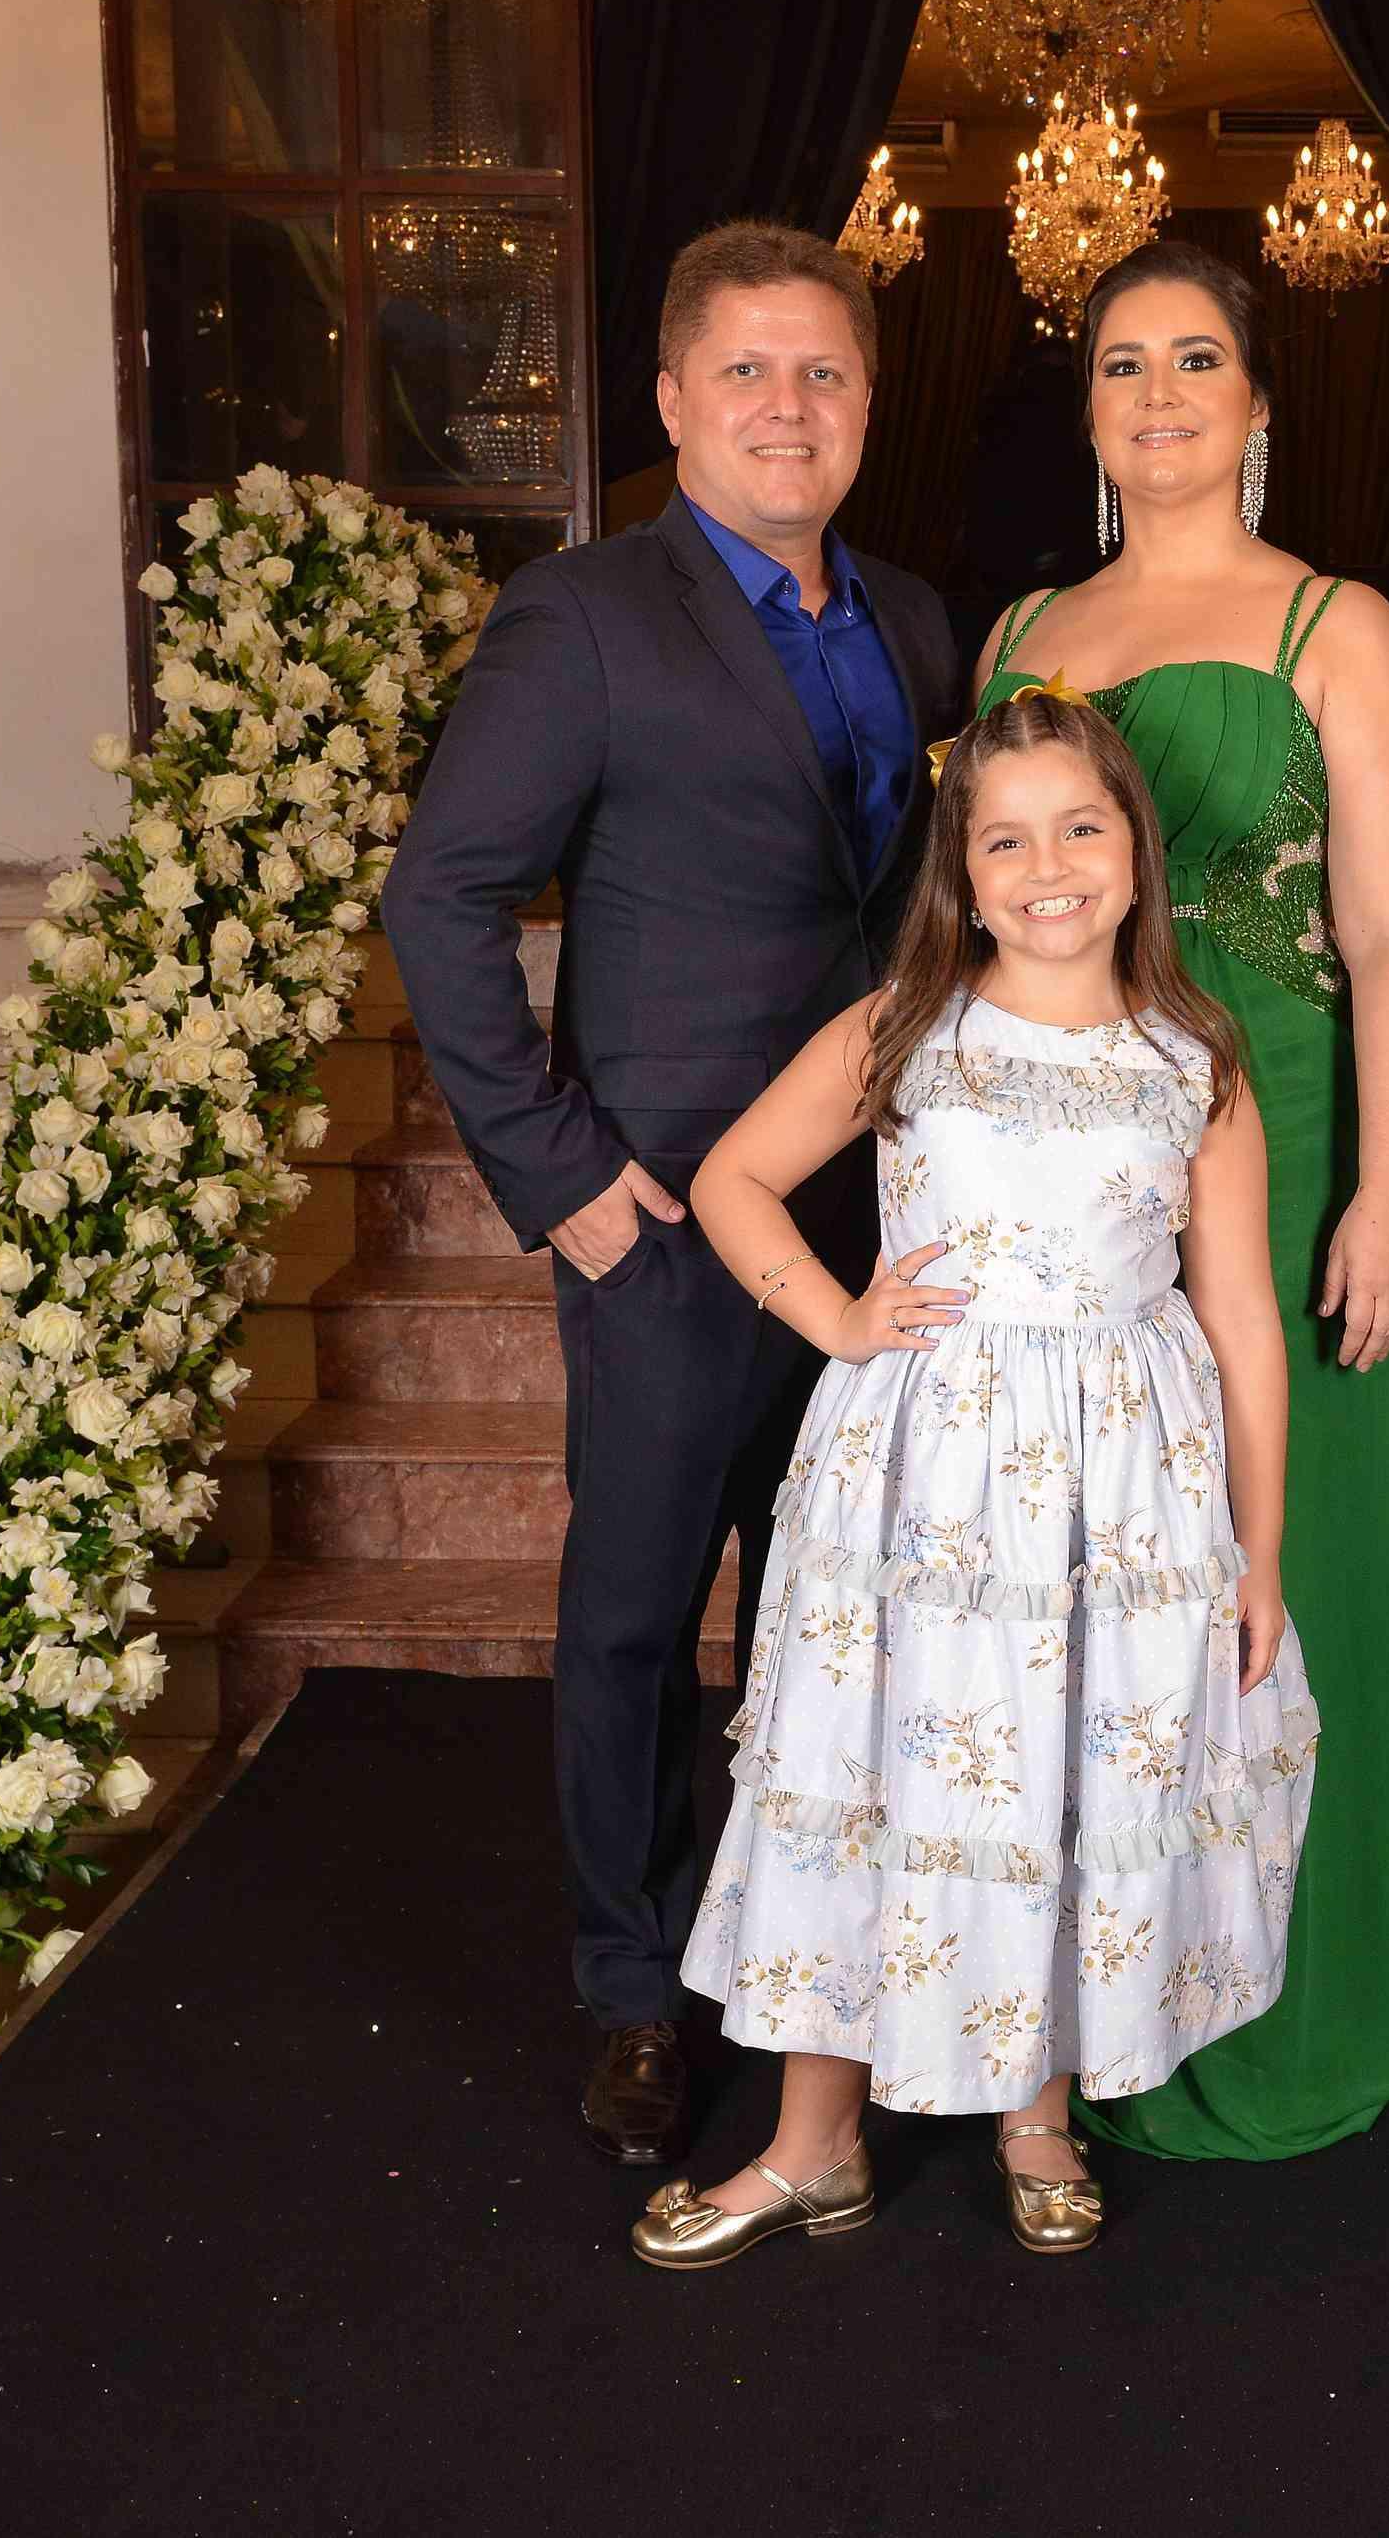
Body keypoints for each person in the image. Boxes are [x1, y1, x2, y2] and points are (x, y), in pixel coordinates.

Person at [381, 221, 967, 2170]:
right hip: (659, 1220)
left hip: (878, 1215)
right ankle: (636, 1986)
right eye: (746, 372)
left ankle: (810, 1956)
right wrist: (559, 1173)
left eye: (822, 373)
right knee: (637, 1616)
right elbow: (440, 897)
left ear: (866, 402)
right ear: (670, 400)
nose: (786, 407)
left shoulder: (914, 620)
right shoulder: (581, 618)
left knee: (838, 1605)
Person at [628, 687, 1311, 2270]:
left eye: (1080, 827)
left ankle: (1035, 2110)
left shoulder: (1192, 1060)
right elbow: (734, 1178)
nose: (1048, 865)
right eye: (1006, 840)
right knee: (874, 1770)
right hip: (922, 1487)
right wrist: (839, 1318)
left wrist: (1258, 1548)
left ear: (1136, 850)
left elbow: (1242, 1316)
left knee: (1068, 1766)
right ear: (964, 873)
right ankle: (812, 2140)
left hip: (1121, 1491)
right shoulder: (905, 1032)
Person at [973, 238, 1389, 2162]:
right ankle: (1101, 2015)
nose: (1156, 396)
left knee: (1288, 1563)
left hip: (1292, 1138)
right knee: (1102, 1575)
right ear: (1086, 407)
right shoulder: (1023, 630)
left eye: (1194, 362)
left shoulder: (1339, 627)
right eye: (1120, 365)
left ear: (1256, 402)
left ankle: (1299, 2012)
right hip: (1071, 1173)